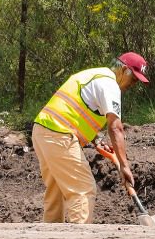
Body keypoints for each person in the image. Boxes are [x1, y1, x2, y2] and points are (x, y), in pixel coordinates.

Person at [30, 53, 148, 223]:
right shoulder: (110, 85)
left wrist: (96, 139)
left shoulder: (94, 75)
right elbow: (116, 128)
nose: (133, 84)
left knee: (55, 192)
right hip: (59, 135)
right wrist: (124, 166)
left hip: (42, 131)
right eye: (134, 79)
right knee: (83, 190)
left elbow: (78, 110)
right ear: (124, 70)